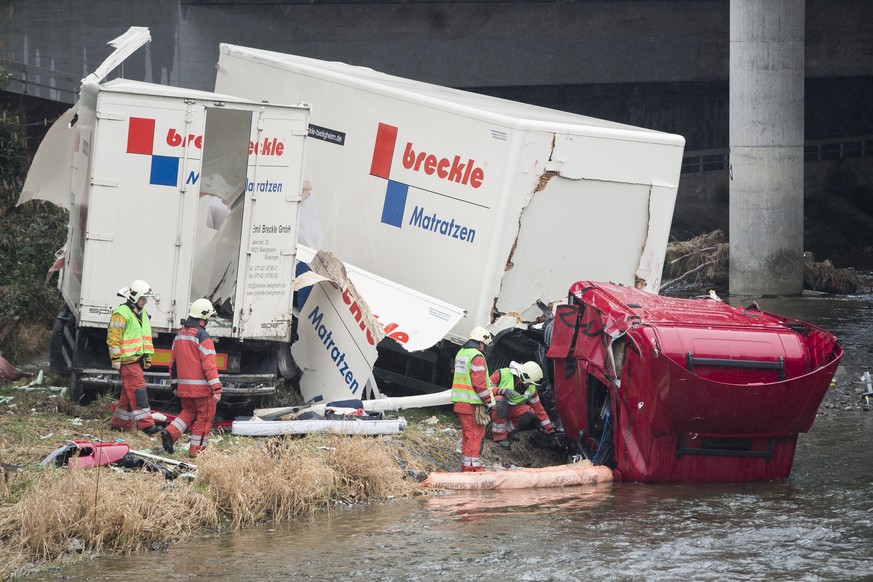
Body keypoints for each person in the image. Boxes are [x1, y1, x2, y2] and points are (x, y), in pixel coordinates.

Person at [160, 298, 222, 458]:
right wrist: (216, 387)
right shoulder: (203, 337)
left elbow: (173, 363)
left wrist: (174, 385)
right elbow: (210, 366)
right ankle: (197, 451)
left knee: (188, 411)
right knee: (205, 417)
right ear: (204, 317)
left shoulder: (179, 335)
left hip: (184, 388)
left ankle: (170, 432)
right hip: (202, 390)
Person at [108, 280, 162, 435]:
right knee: (138, 391)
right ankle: (146, 425)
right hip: (127, 361)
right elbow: (113, 338)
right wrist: (116, 359)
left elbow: (145, 338)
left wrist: (148, 357)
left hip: (136, 360)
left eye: (146, 299)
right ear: (134, 297)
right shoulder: (121, 313)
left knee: (128, 393)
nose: (145, 302)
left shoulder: (142, 313)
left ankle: (119, 424)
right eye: (143, 298)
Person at [450, 326, 495, 472]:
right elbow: (479, 384)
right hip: (472, 404)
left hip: (461, 402)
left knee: (467, 435)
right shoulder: (477, 357)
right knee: (475, 436)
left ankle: (466, 465)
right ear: (482, 342)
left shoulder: (462, 353)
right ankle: (472, 468)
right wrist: (489, 401)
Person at [489, 361, 556, 450]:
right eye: (530, 383)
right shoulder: (502, 374)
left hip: (509, 409)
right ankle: (499, 437)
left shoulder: (531, 389)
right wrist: (500, 391)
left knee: (529, 413)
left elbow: (539, 409)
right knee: (501, 401)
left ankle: (505, 432)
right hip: (491, 407)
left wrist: (549, 429)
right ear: (524, 377)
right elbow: (484, 389)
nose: (531, 385)